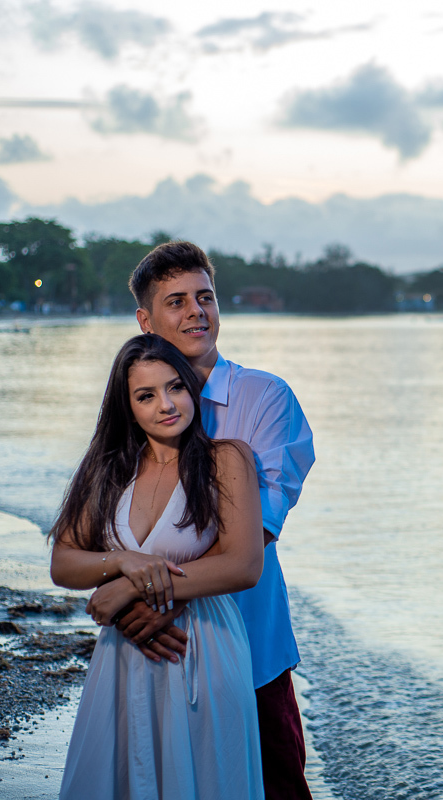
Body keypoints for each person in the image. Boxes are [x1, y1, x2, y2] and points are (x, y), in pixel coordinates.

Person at [114, 241, 316, 799]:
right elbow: (112, 520)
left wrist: (157, 596)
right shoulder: (132, 406)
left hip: (250, 646)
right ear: (145, 320)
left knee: (274, 786)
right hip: (156, 650)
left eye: (205, 297)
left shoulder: (265, 398)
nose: (195, 312)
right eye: (175, 301)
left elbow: (261, 527)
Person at [50, 334, 265, 797]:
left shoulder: (225, 458)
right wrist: (125, 562)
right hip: (123, 655)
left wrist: (129, 588)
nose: (166, 405)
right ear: (127, 408)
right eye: (146, 395)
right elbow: (64, 563)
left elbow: (244, 565)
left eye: (176, 388)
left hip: (203, 649)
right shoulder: (108, 469)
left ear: (191, 389)